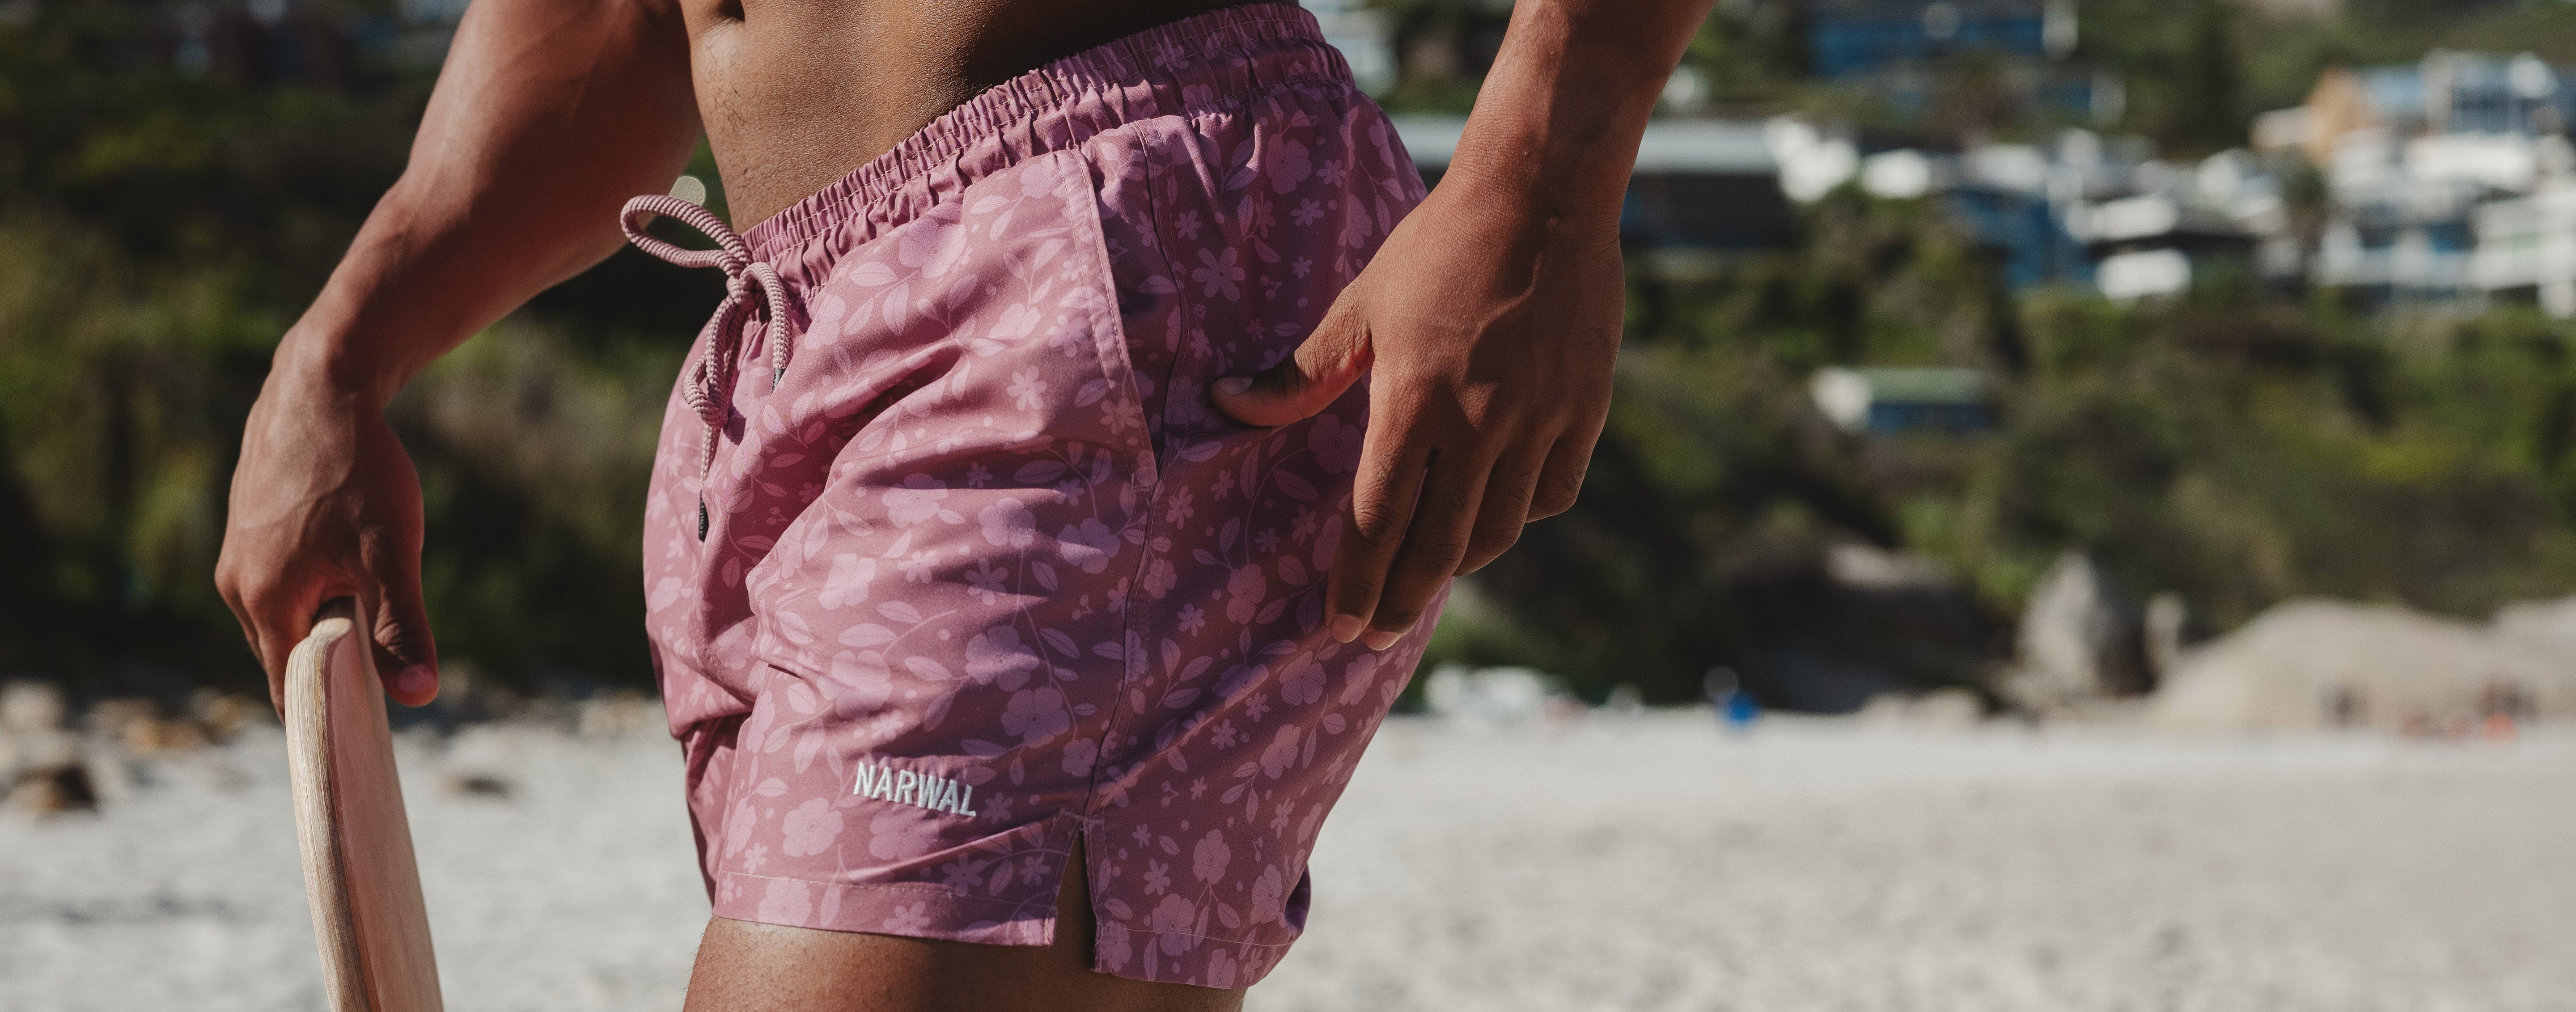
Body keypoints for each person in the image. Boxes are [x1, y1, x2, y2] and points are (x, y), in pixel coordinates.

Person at [214, 0, 1711, 1007]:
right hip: (791, 333)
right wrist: (344, 348)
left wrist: (1548, 177)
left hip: (1112, 264)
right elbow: (616, 31)